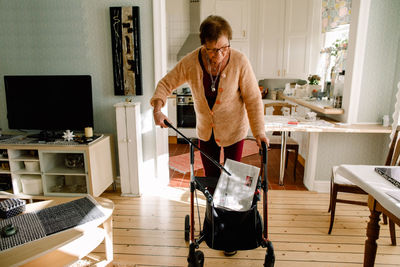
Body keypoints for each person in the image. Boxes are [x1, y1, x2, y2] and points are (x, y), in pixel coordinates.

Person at [151, 15, 268, 180]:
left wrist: (259, 132)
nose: (219, 55)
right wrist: (157, 110)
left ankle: (228, 207)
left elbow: (253, 99)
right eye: (213, 50)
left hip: (234, 130)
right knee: (210, 178)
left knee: (231, 178)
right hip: (206, 131)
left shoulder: (240, 61)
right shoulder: (191, 62)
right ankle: (211, 206)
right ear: (204, 45)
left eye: (224, 48)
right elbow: (165, 84)